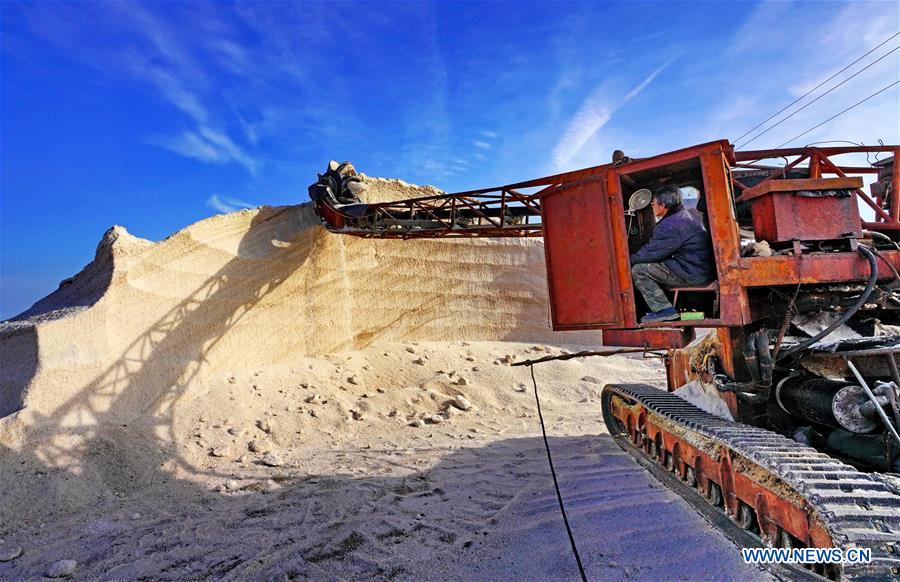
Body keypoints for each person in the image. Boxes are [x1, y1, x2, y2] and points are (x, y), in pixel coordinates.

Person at [630, 185, 715, 322]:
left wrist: (627, 261)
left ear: (663, 205)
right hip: (700, 269)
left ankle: (664, 310)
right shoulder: (685, 216)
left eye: (653, 204)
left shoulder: (670, 224)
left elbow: (651, 253)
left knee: (639, 270)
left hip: (692, 272)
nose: (652, 207)